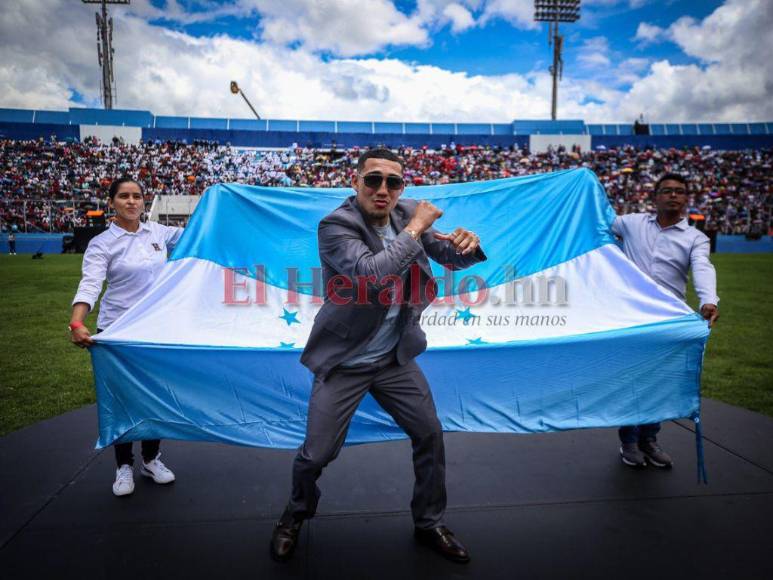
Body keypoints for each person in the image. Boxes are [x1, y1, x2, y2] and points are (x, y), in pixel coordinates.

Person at [270, 148, 486, 564]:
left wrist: (469, 245)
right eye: (373, 180)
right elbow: (370, 276)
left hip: (393, 359)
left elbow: (449, 259)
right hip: (345, 362)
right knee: (316, 455)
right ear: (356, 183)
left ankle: (429, 522)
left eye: (393, 181)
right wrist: (417, 228)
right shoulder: (336, 225)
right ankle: (294, 514)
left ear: (401, 187)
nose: (383, 189)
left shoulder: (406, 216)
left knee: (429, 434)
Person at [69, 177, 183, 496]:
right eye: (124, 196)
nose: (131, 201)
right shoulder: (102, 243)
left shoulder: (159, 233)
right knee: (122, 401)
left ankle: (150, 458)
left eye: (137, 196)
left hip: (156, 330)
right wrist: (77, 322)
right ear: (112, 202)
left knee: (154, 395)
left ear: (144, 201)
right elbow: (91, 284)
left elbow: (199, 235)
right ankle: (123, 466)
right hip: (117, 330)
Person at [612, 173, 719, 469]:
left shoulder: (696, 238)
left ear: (686, 199)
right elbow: (595, 220)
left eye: (679, 192)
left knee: (660, 383)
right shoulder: (629, 223)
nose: (673, 195)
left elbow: (702, 267)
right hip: (630, 318)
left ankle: (650, 440)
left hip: (669, 319)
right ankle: (629, 442)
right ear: (655, 196)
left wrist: (709, 299)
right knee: (633, 381)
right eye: (667, 191)